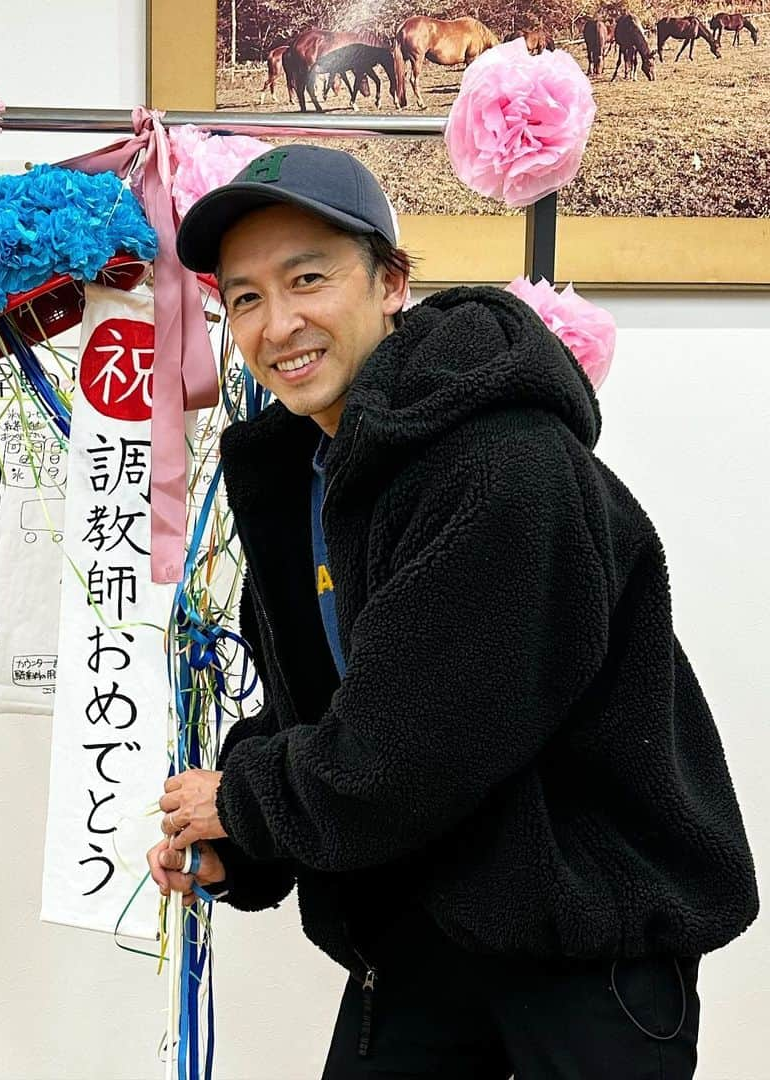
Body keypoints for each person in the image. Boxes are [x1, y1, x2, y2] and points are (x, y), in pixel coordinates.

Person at [146, 144, 757, 1078]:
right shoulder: (305, 471)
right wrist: (242, 851)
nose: (279, 324)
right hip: (423, 936)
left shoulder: (505, 464)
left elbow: (411, 743)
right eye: (246, 298)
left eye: (308, 278)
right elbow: (326, 705)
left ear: (391, 282)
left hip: (583, 943)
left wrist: (246, 801)